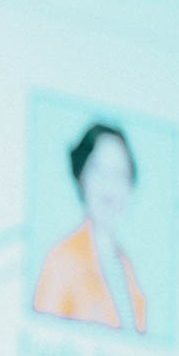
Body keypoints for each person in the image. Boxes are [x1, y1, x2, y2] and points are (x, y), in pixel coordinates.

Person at [32, 121, 148, 333]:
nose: (109, 185)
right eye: (99, 170)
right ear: (81, 176)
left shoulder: (125, 267)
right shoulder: (63, 259)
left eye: (119, 173)